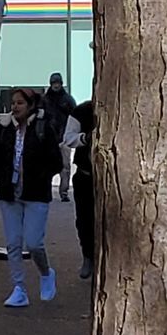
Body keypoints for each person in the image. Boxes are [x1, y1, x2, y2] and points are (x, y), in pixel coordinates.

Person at [0, 87, 62, 307]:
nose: (15, 107)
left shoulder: (42, 127)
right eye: (13, 103)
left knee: (34, 242)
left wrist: (38, 175)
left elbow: (56, 162)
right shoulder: (5, 128)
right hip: (10, 193)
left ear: (30, 106)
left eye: (20, 103)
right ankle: (19, 288)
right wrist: (0, 180)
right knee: (13, 243)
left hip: (36, 193)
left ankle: (46, 273)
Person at [66, 98, 98, 280]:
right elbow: (68, 138)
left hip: (110, 177)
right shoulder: (82, 110)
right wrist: (85, 138)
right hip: (85, 175)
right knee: (85, 219)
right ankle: (88, 256)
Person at [42, 73, 78, 201]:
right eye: (54, 83)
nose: (56, 85)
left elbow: (75, 117)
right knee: (47, 167)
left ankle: (64, 192)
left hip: (64, 138)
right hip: (48, 139)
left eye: (57, 83)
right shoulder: (45, 100)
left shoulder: (68, 100)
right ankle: (47, 191)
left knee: (65, 167)